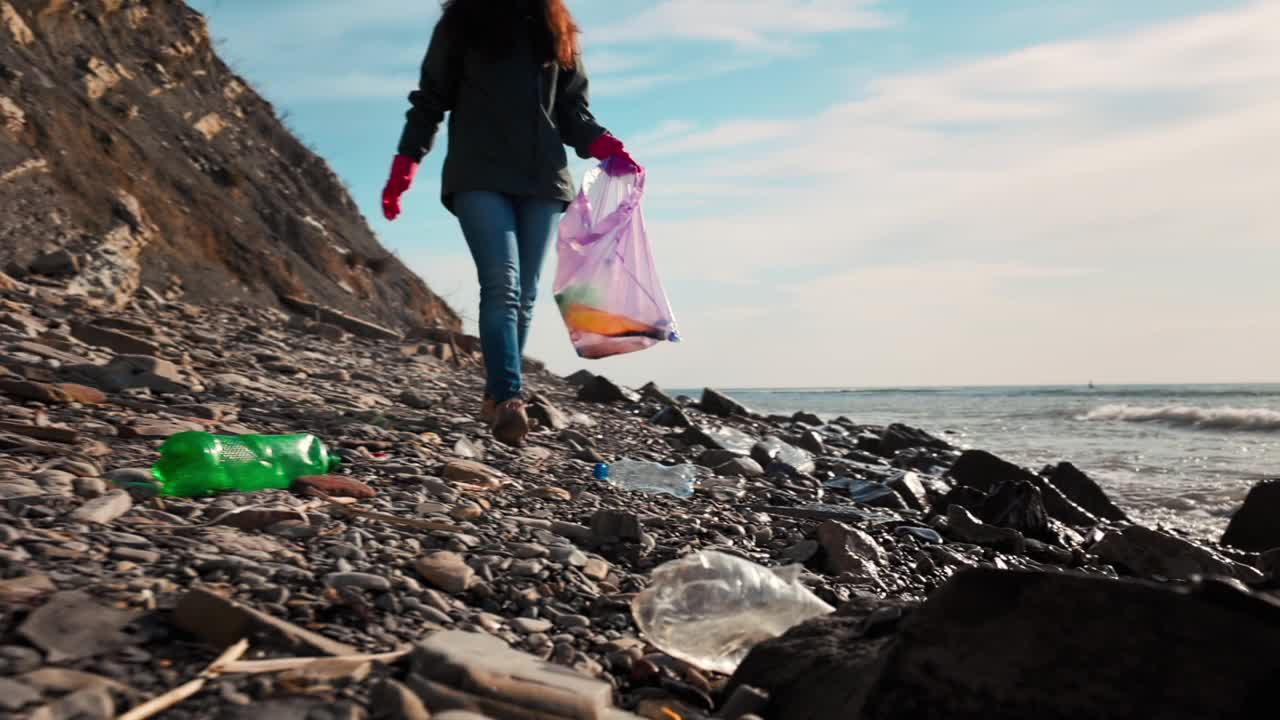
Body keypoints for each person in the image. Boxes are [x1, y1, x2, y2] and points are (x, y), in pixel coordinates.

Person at [381, 0, 640, 446]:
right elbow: (430, 100)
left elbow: (572, 111)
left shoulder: (556, 26)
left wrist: (606, 146)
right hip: (477, 173)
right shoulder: (462, 21)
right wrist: (406, 163)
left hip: (542, 179)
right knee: (502, 283)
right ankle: (509, 397)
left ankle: (496, 397)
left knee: (523, 295)